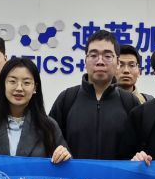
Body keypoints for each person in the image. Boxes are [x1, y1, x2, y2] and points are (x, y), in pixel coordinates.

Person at [49, 29, 140, 159]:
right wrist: (59, 152)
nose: (100, 61)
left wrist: (140, 156)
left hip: (116, 173)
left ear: (117, 63)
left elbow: (140, 147)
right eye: (93, 55)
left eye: (107, 56)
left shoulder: (130, 102)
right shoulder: (66, 99)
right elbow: (48, 141)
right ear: (85, 61)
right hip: (75, 173)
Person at [0, 57, 72, 161]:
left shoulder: (49, 127)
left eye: (26, 83)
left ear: (35, 88)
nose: (19, 88)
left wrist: (64, 156)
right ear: (3, 85)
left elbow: (66, 168)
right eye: (12, 81)